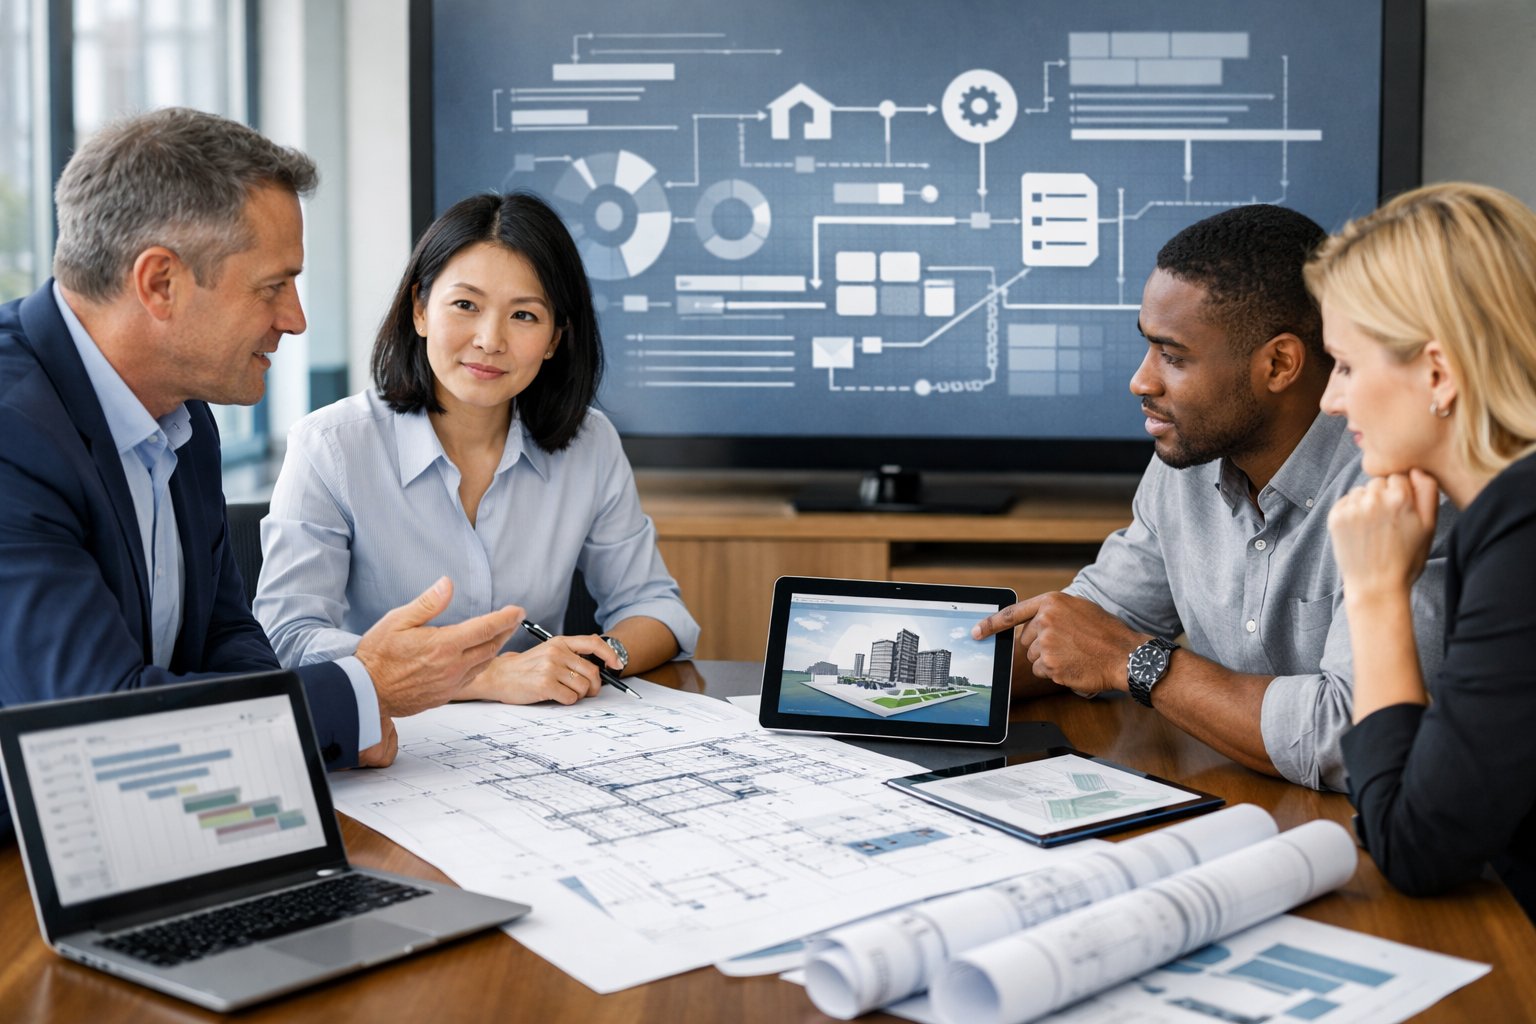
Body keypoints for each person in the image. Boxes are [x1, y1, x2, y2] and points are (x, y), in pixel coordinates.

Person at [0, 109, 525, 801]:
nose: (296, 318)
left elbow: (225, 635)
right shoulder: (14, 434)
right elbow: (95, 724)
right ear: (160, 283)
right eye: (273, 285)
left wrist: (329, 725)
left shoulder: (181, 411)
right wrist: (360, 693)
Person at [973, 204, 1451, 792]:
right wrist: (874, 676)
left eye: (1173, 357)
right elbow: (1089, 628)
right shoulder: (1188, 458)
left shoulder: (1403, 487)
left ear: (1279, 364)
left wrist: (1135, 662)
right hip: (1245, 807)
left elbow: (1350, 740)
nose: (1141, 381)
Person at [255, 192, 698, 704]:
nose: (490, 340)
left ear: (555, 338)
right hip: (391, 741)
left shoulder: (589, 443)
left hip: (541, 742)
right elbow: (286, 638)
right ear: (420, 310)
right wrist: (485, 677)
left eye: (525, 316)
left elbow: (656, 607)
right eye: (465, 305)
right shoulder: (330, 447)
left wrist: (589, 657)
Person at [1308, 182, 1536, 917]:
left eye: (1343, 365)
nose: (1329, 401)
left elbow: (1417, 843)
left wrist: (1375, 594)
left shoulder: (1522, 526)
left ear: (1438, 373)